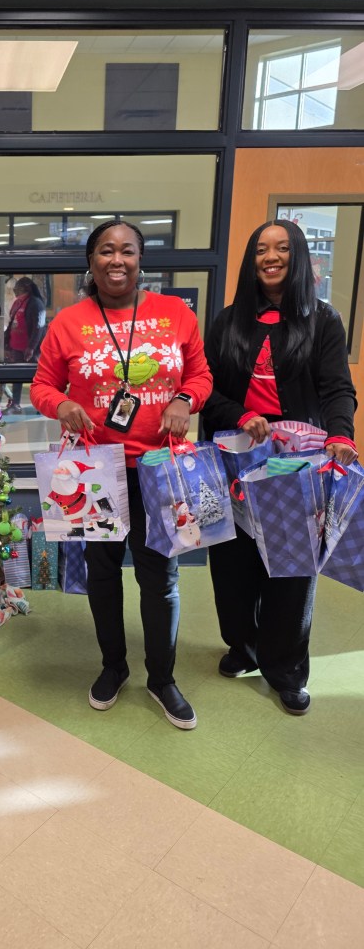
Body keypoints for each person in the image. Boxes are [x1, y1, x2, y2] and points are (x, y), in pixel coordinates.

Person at [31, 221, 212, 729]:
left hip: (159, 468)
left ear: (140, 259)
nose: (117, 260)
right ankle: (114, 666)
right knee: (104, 574)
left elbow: (201, 374)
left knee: (161, 578)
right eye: (106, 251)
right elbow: (42, 385)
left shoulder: (175, 314)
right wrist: (62, 403)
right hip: (96, 469)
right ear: (91, 262)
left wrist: (184, 399)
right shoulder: (68, 322)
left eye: (127, 251)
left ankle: (162, 678)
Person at [202, 219, 357, 715]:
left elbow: (337, 388)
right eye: (261, 249)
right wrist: (239, 415)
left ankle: (286, 668)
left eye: (283, 248)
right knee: (233, 566)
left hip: (296, 466)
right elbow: (206, 390)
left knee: (291, 569)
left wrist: (341, 433)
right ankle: (243, 646)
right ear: (251, 261)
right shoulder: (228, 322)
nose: (271, 257)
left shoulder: (323, 320)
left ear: (299, 258)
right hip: (234, 459)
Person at [2, 277, 46, 413]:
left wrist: (31, 347)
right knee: (17, 376)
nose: (15, 291)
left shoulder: (36, 304)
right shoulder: (18, 302)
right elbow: (12, 323)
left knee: (37, 377)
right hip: (16, 347)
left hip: (32, 349)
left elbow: (39, 328)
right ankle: (15, 404)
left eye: (18, 288)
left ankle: (41, 404)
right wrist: (6, 343)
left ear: (26, 288)